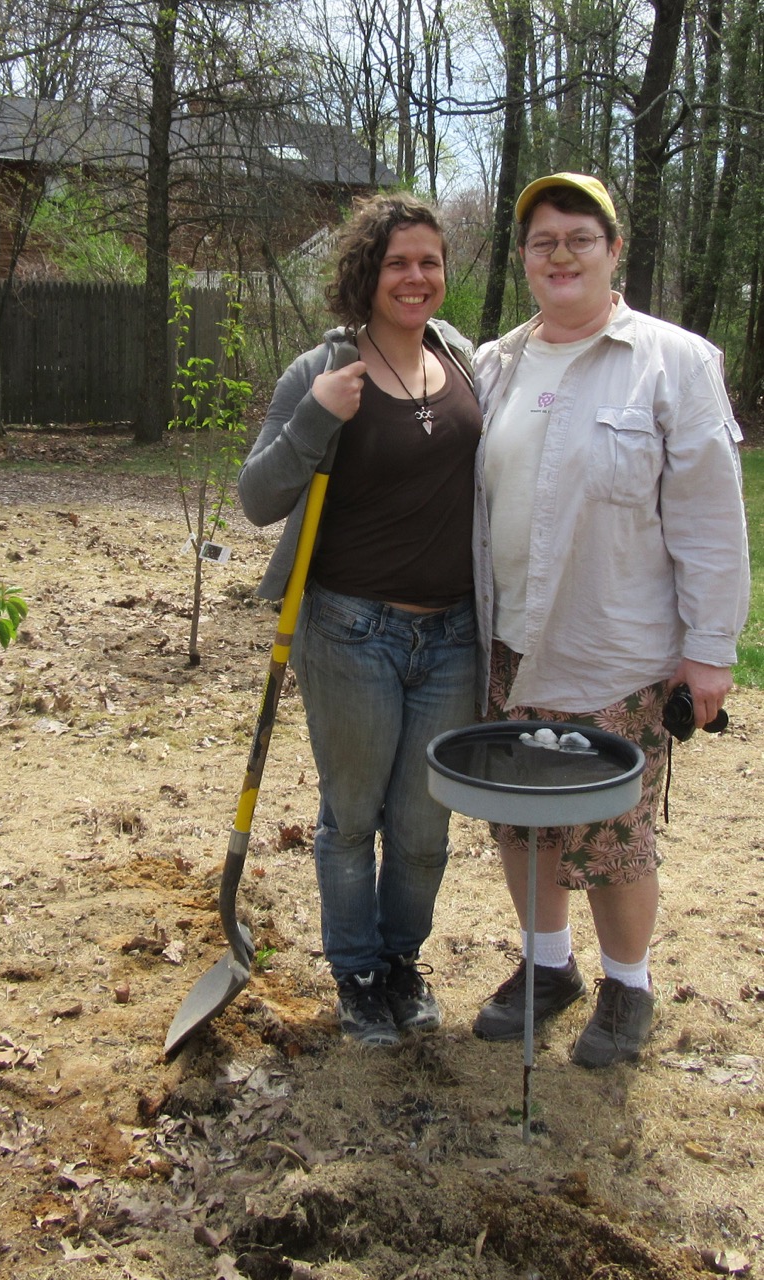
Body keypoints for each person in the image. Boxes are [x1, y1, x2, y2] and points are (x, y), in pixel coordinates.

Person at [472, 173, 750, 1067]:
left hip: (618, 651)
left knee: (613, 837)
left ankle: (628, 987)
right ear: (524, 259)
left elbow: (712, 518)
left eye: (579, 238)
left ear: (613, 250)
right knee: (520, 821)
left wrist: (710, 652)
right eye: (543, 241)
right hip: (509, 644)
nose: (560, 255)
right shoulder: (497, 363)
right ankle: (546, 969)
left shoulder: (674, 361)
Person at [238, 193, 482, 1046]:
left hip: (454, 636)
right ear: (367, 273)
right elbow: (256, 497)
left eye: (430, 262)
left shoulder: (465, 363)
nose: (416, 278)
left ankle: (402, 962)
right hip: (349, 630)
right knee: (352, 817)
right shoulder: (320, 371)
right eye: (398, 262)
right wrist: (316, 419)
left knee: (424, 825)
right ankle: (358, 975)